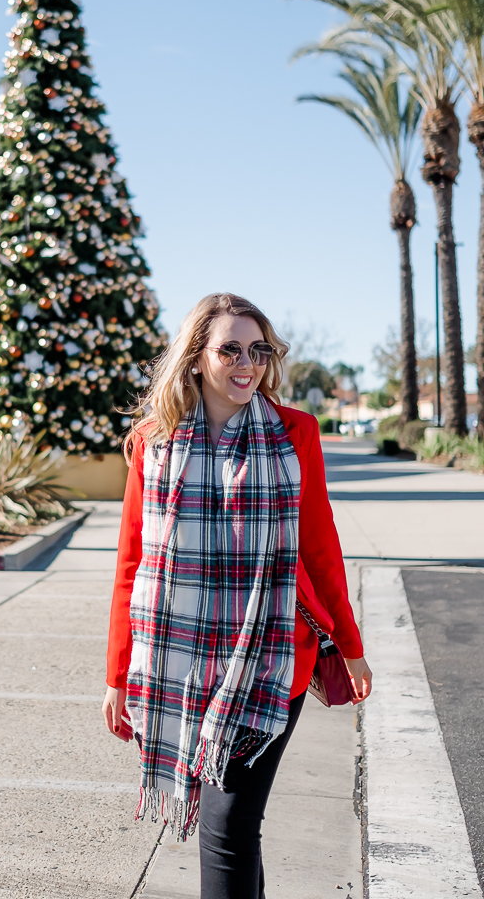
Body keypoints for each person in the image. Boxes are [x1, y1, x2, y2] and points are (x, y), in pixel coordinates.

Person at [102, 292, 372, 899]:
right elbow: (131, 562)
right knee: (234, 833)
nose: (246, 363)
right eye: (230, 349)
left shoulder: (294, 433)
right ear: (197, 358)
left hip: (273, 657)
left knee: (226, 824)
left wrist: (350, 648)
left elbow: (320, 548)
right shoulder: (155, 441)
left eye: (259, 349)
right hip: (180, 660)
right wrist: (118, 674)